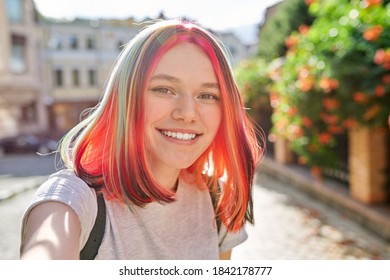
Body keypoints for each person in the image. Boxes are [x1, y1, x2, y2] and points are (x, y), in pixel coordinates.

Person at [20, 19, 262, 260]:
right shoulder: (72, 199)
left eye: (208, 95)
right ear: (127, 97)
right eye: (164, 89)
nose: (187, 113)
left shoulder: (215, 200)